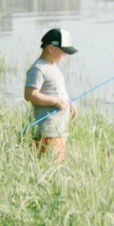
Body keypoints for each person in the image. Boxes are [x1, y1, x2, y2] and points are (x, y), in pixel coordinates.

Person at [24, 27, 78, 161]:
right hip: (47, 131)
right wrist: (55, 102)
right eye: (63, 51)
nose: (65, 56)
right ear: (51, 48)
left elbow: (57, 91)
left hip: (59, 130)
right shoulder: (38, 68)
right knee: (48, 166)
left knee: (58, 166)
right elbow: (30, 95)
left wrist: (69, 103)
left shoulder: (53, 67)